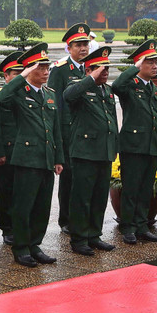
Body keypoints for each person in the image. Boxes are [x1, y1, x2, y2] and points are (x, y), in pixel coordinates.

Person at [0, 43, 63, 268]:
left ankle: (35, 245)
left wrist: (58, 158)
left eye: (47, 68)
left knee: (42, 206)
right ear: (28, 70)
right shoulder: (18, 93)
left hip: (45, 158)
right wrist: (21, 76)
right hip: (26, 158)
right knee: (23, 206)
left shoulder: (50, 94)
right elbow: (0, 99)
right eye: (40, 68)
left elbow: (56, 129)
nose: (45, 72)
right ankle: (21, 248)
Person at [63, 47, 118, 256]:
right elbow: (68, 96)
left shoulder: (108, 90)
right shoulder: (78, 87)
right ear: (88, 70)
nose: (105, 72)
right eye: (99, 69)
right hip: (85, 152)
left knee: (99, 196)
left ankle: (94, 234)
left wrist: (115, 147)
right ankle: (79, 238)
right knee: (82, 197)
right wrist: (91, 78)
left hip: (104, 151)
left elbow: (111, 120)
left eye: (106, 68)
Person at [112, 40, 157, 245]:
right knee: (131, 188)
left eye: (155, 62)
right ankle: (128, 227)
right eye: (149, 62)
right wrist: (133, 68)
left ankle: (142, 226)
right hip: (133, 146)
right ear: (139, 64)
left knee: (145, 188)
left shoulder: (152, 87)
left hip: (150, 146)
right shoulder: (130, 86)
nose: (154, 66)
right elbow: (117, 86)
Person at [49, 23, 90, 235]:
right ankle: (66, 219)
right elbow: (54, 104)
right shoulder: (60, 69)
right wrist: (58, 135)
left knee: (84, 177)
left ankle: (82, 217)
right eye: (79, 44)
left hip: (88, 132)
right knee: (69, 178)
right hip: (68, 132)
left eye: (86, 44)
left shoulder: (92, 67)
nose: (83, 48)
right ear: (69, 47)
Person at [0, 51, 25, 246]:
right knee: (6, 191)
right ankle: (7, 227)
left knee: (22, 190)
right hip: (7, 151)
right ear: (6, 76)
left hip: (24, 151)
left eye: (22, 72)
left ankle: (19, 225)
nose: (19, 76)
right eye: (15, 73)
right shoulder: (0, 97)